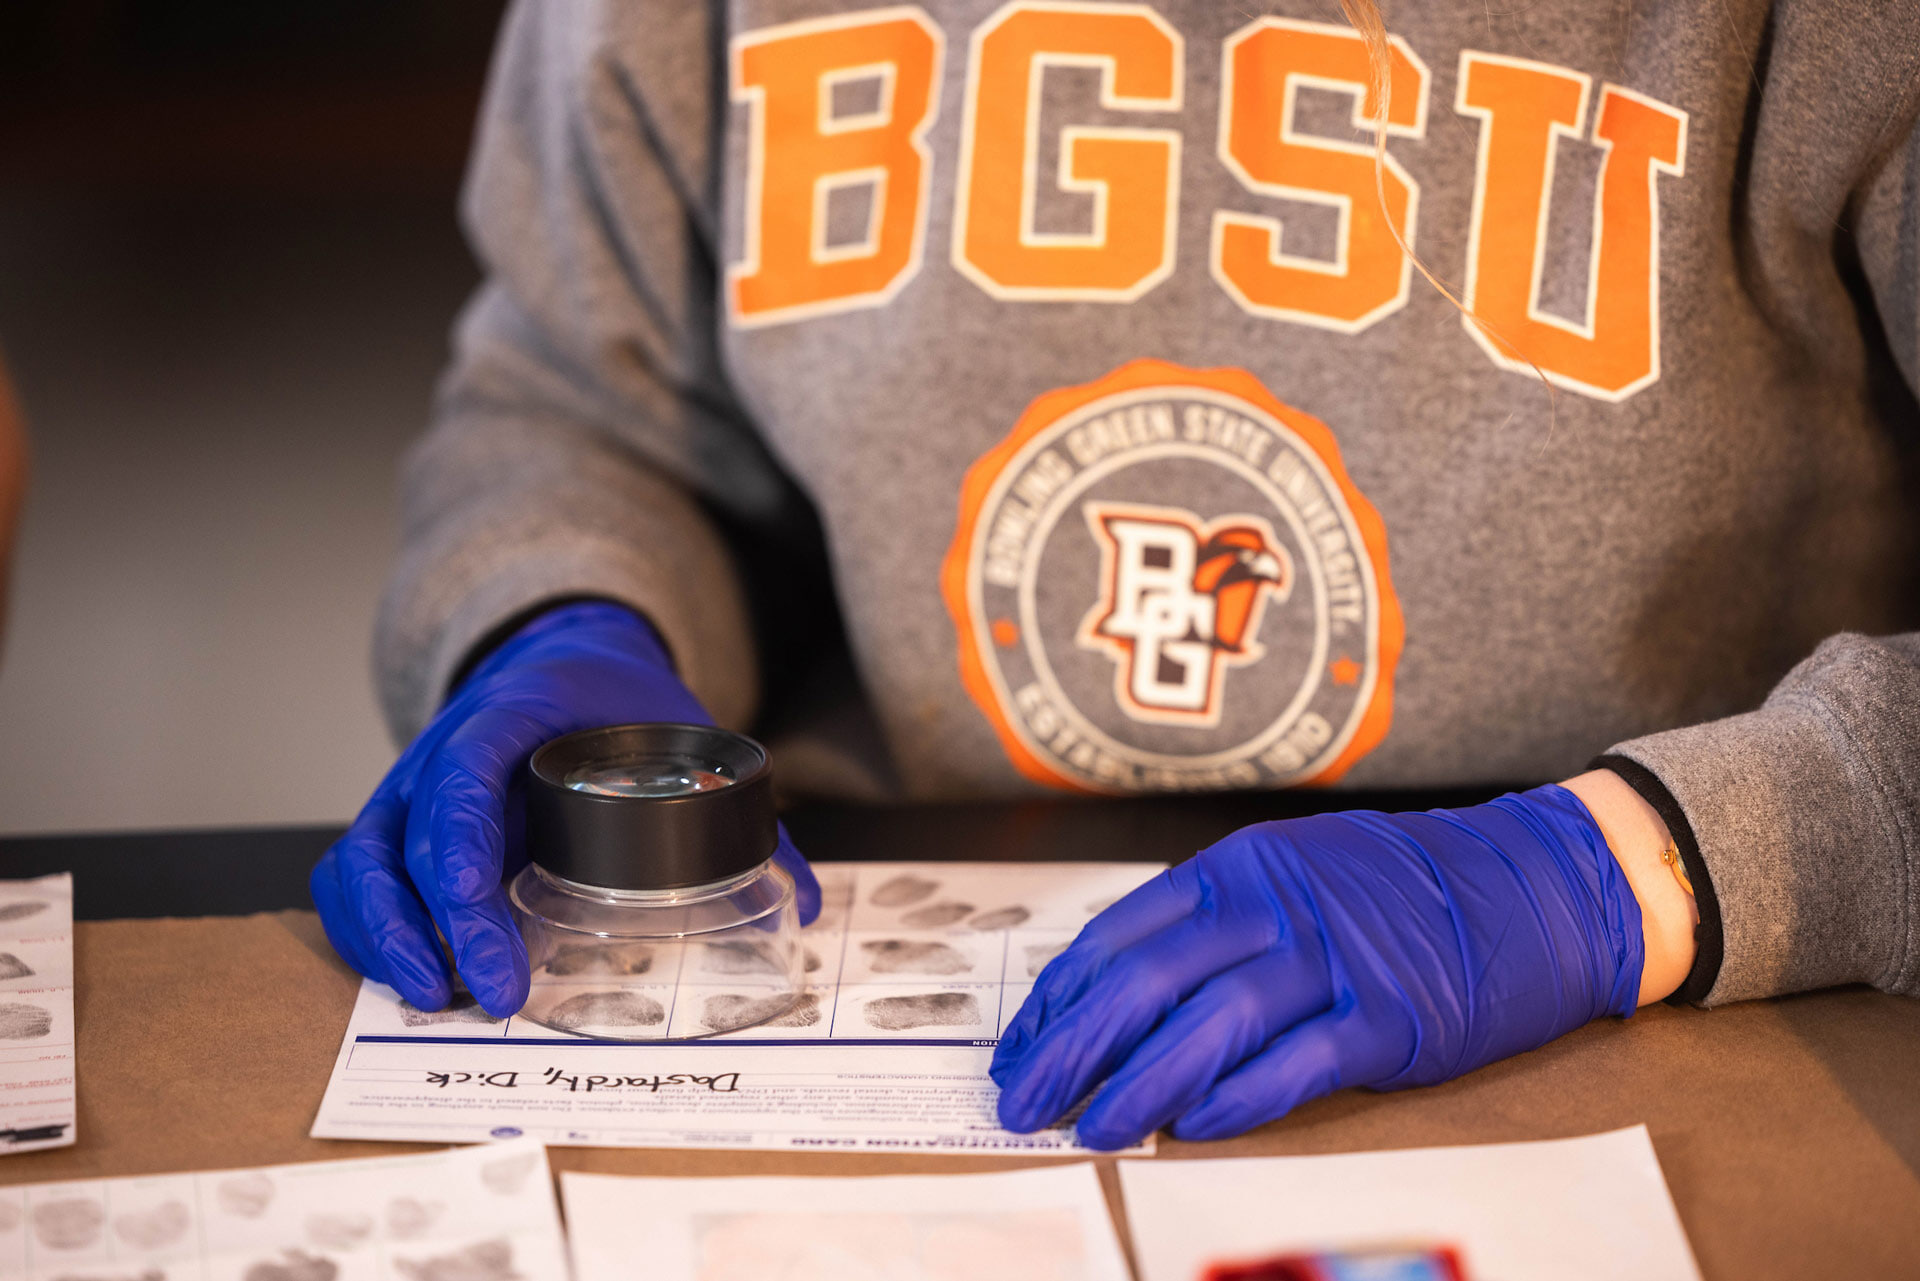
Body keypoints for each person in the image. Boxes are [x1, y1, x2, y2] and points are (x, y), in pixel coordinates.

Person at [313, 0, 1919, 1150]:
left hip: (1700, 1003)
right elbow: (580, 403)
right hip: (880, 927)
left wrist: (1624, 873)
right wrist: (568, 611)